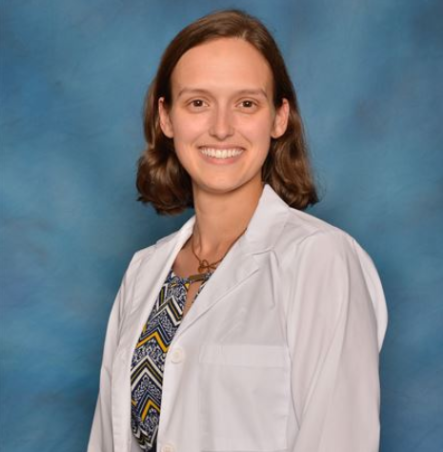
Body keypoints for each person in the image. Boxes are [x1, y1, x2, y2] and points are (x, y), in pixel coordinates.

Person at [88, 9, 388, 452]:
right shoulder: (144, 271)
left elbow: (338, 439)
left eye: (246, 103)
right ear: (166, 118)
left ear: (279, 117)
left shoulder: (320, 260)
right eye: (198, 103)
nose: (222, 128)